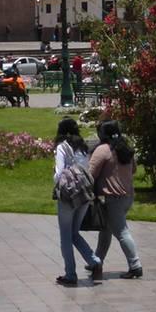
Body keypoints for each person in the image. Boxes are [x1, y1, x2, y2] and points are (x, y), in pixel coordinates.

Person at [89, 120, 142, 280]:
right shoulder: (125, 148)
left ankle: (135, 266)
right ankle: (96, 262)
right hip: (127, 196)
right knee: (106, 231)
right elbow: (133, 169)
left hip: (112, 198)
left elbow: (90, 173)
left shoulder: (103, 150)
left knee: (121, 231)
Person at [52, 118, 102, 286]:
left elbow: (59, 174)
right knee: (74, 233)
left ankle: (70, 274)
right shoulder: (83, 147)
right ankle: (94, 261)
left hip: (69, 196)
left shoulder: (62, 147)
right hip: (85, 195)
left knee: (65, 236)